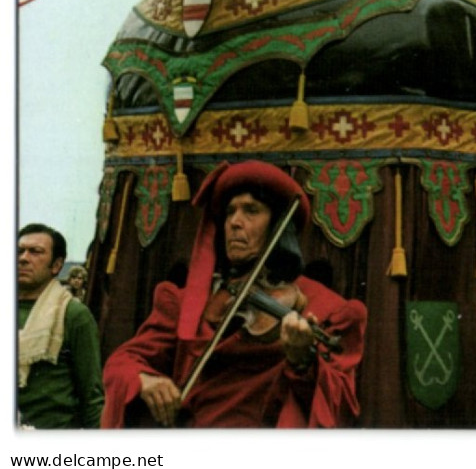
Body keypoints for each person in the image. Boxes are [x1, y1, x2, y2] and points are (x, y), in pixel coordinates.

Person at [101, 160, 367, 428]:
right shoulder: (188, 302)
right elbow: (121, 363)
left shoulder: (328, 308)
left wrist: (303, 363)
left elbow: (339, 406)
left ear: (278, 226)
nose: (234, 223)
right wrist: (145, 379)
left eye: (251, 211)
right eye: (229, 212)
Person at [18, 223, 104, 428]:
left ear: (56, 266)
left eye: (35, 252)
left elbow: (91, 395)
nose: (23, 258)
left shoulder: (73, 315)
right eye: (19, 251)